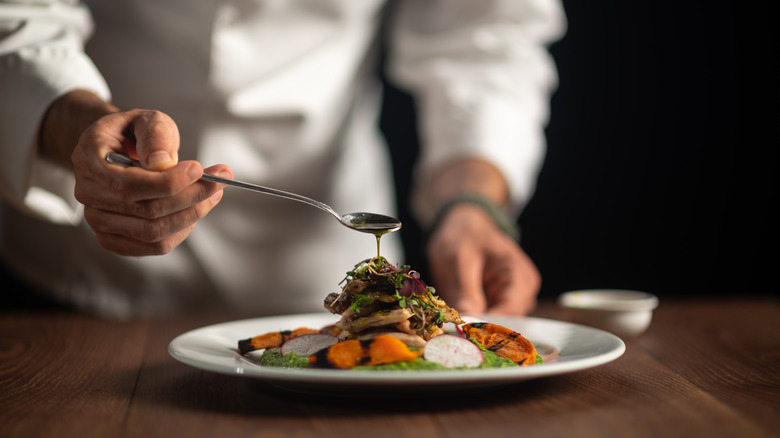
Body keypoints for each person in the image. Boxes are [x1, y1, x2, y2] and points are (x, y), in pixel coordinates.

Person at [0, 0, 566, 318]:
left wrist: (469, 205)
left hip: (315, 270)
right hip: (78, 272)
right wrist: (78, 127)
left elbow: (482, 43)